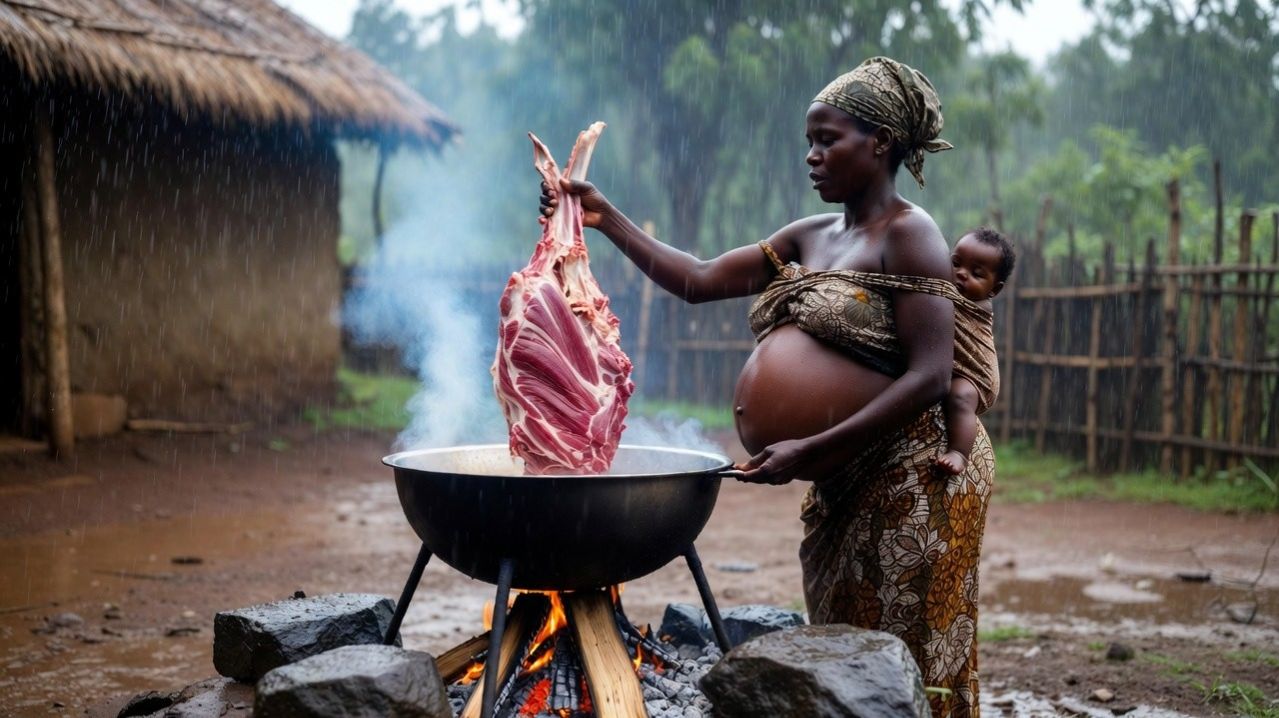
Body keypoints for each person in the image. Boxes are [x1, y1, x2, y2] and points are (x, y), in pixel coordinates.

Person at [541, 57, 993, 717]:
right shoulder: (808, 236)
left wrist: (812, 450)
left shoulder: (910, 234)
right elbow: (697, 280)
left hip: (915, 474)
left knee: (906, 656)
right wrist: (607, 220)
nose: (811, 156)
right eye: (808, 140)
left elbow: (928, 377)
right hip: (842, 477)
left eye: (827, 139)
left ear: (880, 143)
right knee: (847, 651)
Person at [933, 228, 1014, 476]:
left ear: (994, 289)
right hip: (953, 365)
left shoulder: (977, 305)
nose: (961, 274)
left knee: (959, 397)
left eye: (977, 273)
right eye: (955, 263)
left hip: (975, 376)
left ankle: (959, 452)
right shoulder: (944, 288)